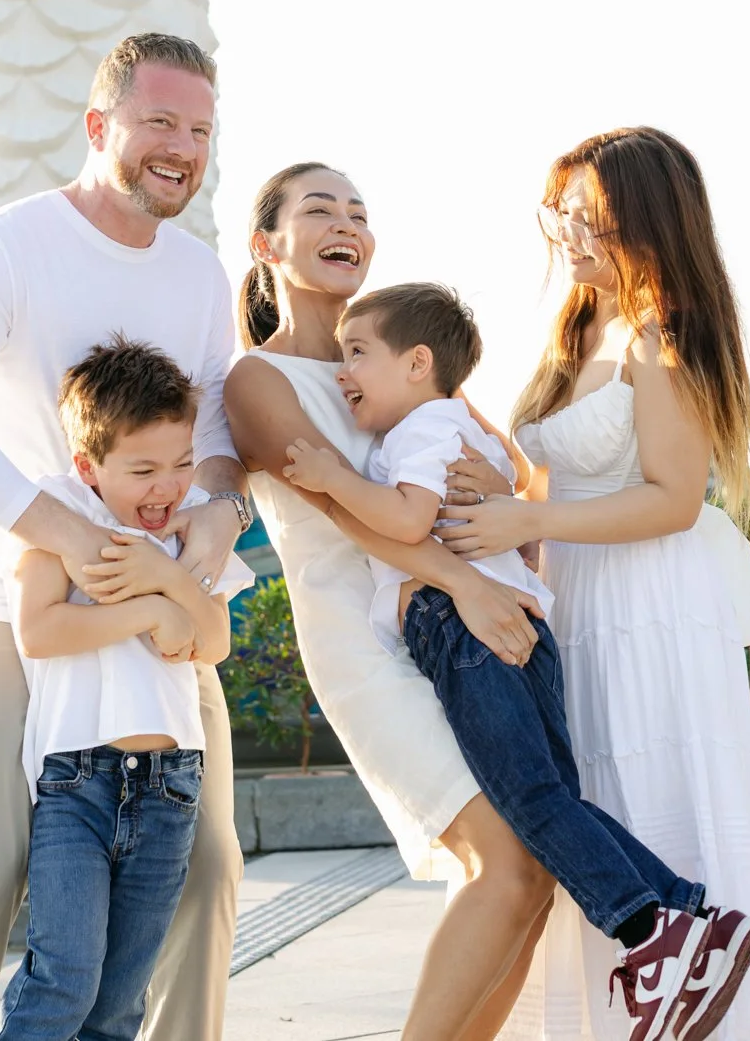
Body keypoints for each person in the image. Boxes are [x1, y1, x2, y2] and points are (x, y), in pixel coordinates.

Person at [282, 282, 750, 1041]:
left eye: (358, 353)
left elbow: (407, 519)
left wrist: (332, 479)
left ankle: (653, 931)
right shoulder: (446, 425)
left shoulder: (418, 430)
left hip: (466, 631)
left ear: (417, 364)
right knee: (551, 799)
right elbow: (503, 479)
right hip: (518, 626)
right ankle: (686, 918)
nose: (344, 372)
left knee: (531, 803)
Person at [0, 34, 248, 1041]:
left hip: (155, 603)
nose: (182, 147)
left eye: (200, 130)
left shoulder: (199, 275)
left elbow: (219, 442)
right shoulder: (3, 248)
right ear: (98, 125)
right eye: (159, 121)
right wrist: (66, 538)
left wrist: (218, 518)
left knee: (209, 863)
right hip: (8, 604)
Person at [441, 127, 750, 1039]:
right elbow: (553, 482)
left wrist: (527, 520)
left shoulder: (662, 332)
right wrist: (504, 492)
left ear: (645, 218)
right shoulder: (576, 328)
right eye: (559, 212)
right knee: (590, 803)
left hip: (654, 605)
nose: (565, 232)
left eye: (586, 214)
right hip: (580, 599)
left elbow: (674, 498)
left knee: (657, 797)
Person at [222, 164, 560, 1041]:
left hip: (460, 627)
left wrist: (497, 491)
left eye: (360, 212)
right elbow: (347, 509)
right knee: (506, 859)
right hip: (367, 644)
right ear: (266, 245)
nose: (348, 224)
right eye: (321, 209)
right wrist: (468, 582)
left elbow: (507, 466)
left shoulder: (403, 354)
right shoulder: (255, 379)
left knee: (535, 870)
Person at [0, 339, 251, 1041]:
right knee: (64, 979)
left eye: (181, 463)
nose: (167, 487)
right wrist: (148, 613)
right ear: (89, 466)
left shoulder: (191, 523)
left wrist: (167, 577)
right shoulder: (60, 511)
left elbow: (214, 640)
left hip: (171, 787)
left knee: (117, 1004)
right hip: (78, 784)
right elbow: (39, 629)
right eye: (143, 470)